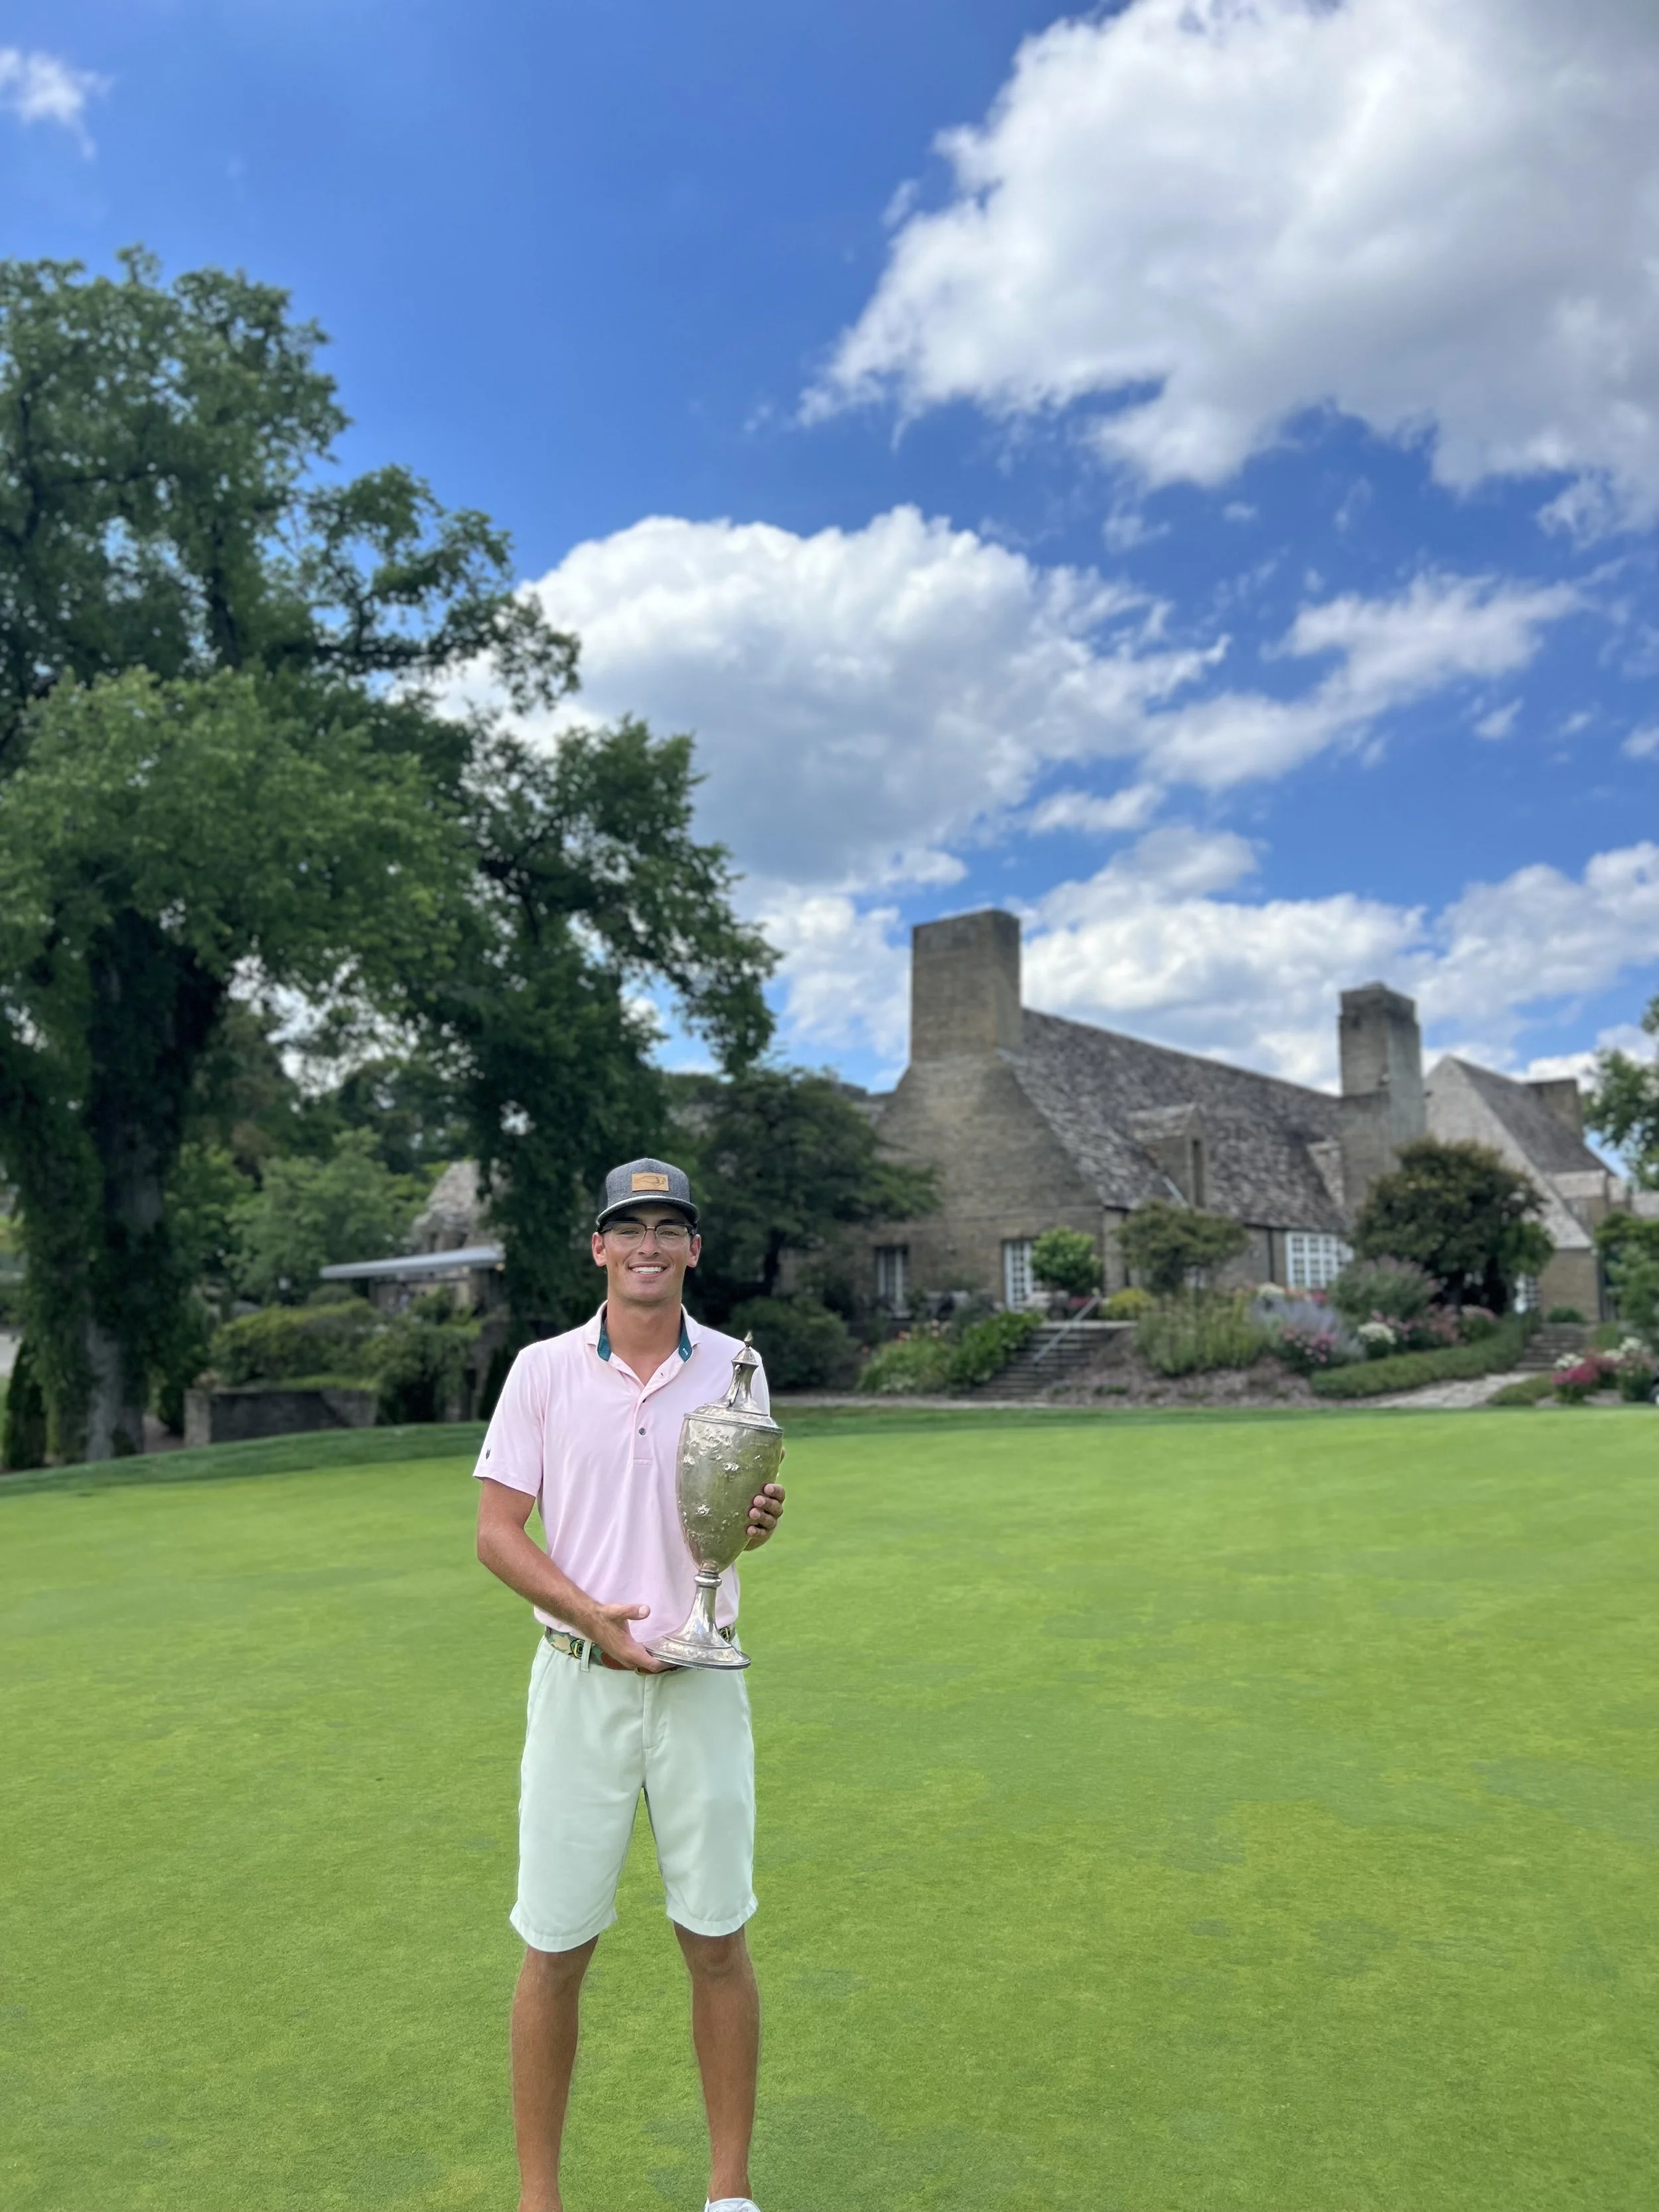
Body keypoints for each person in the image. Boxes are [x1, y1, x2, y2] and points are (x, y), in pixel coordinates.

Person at [474, 1156, 786, 2212]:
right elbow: (495, 1532)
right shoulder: (542, 1371)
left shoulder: (739, 1366)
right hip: (579, 1684)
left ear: (693, 1248)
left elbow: (734, 1514)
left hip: (704, 1682)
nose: (648, 1247)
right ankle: (540, 2199)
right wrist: (587, 1616)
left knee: (718, 1939)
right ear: (599, 1247)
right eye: (630, 1228)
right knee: (554, 1947)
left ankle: (730, 2193)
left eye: (668, 1229)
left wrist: (755, 1523)